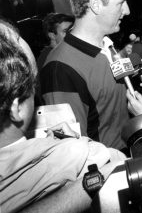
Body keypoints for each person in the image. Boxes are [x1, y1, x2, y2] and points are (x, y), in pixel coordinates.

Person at [0, 24, 126, 213]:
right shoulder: (77, 154)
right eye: (32, 87)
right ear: (17, 108)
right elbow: (122, 164)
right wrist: (74, 144)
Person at [40, 0, 131, 150]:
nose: (127, 11)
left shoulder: (109, 47)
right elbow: (70, 150)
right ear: (96, 5)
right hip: (107, 172)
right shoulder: (60, 68)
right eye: (121, 3)